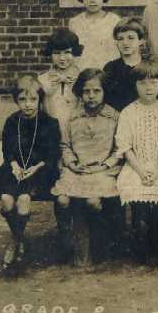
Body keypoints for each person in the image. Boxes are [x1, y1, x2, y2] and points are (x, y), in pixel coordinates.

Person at [0, 76, 60, 273]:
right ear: (16, 101)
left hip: (40, 171)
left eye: (33, 100)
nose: (28, 105)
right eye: (22, 100)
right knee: (6, 199)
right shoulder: (12, 121)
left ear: (40, 100)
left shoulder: (49, 123)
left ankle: (15, 243)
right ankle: (19, 239)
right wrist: (13, 165)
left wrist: (36, 168)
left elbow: (52, 154)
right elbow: (6, 149)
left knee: (24, 199)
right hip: (15, 169)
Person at [51, 68, 121, 267]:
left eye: (96, 91)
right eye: (86, 91)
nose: (91, 96)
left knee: (92, 201)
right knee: (63, 200)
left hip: (102, 171)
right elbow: (65, 146)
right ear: (80, 93)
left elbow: (118, 150)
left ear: (104, 92)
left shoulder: (114, 117)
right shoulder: (72, 118)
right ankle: (69, 243)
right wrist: (72, 163)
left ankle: (99, 244)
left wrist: (104, 166)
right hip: (76, 170)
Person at [115, 60, 158, 264]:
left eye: (153, 83)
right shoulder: (127, 112)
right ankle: (140, 243)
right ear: (135, 85)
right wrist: (142, 171)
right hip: (136, 165)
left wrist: (156, 171)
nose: (148, 87)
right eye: (142, 83)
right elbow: (125, 147)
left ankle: (157, 242)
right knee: (139, 207)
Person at [68, 0, 121, 70]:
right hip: (82, 72)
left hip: (108, 73)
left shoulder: (114, 20)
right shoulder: (74, 22)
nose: (92, 0)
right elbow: (72, 53)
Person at [37, 28, 83, 133]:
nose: (62, 58)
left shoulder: (81, 78)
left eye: (67, 52)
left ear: (75, 52)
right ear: (50, 53)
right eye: (57, 53)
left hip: (76, 132)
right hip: (51, 132)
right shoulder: (42, 79)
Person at [103, 17, 147, 112]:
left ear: (141, 41)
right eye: (120, 39)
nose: (125, 43)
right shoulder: (111, 68)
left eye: (131, 38)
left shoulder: (149, 67)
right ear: (116, 42)